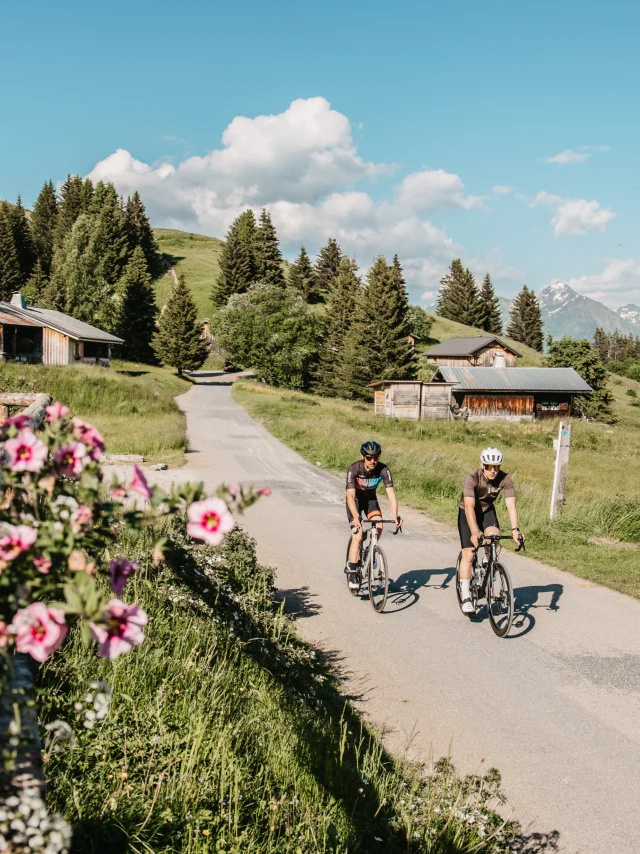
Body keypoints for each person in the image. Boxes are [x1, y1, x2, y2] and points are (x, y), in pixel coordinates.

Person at [457, 447, 524, 614]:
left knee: (493, 536)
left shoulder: (505, 479)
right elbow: (470, 506)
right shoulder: (472, 478)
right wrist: (474, 531)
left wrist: (515, 529)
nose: (492, 471)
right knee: (469, 554)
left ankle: (489, 561)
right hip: (467, 512)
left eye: (496, 467)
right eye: (488, 467)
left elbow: (511, 506)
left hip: (487, 510)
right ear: (482, 465)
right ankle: (466, 596)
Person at [345, 441, 402, 589]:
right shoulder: (354, 469)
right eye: (369, 458)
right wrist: (356, 516)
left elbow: (391, 495)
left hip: (370, 500)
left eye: (375, 457)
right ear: (363, 456)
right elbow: (350, 496)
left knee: (379, 526)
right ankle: (352, 570)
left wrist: (396, 516)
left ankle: (370, 551)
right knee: (357, 535)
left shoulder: (383, 469)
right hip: (356, 501)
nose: (373, 461)